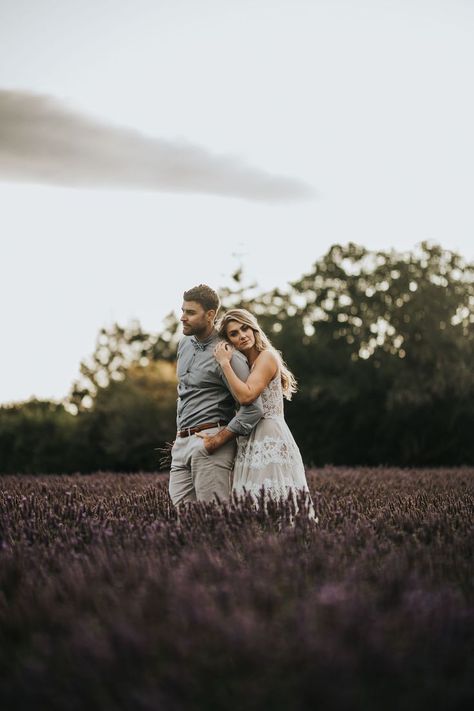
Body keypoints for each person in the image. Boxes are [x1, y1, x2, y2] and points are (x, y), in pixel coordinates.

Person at [214, 308, 317, 520]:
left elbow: (247, 396)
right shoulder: (242, 365)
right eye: (234, 333)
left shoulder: (267, 357)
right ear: (228, 340)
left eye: (245, 328)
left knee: (275, 502)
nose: (242, 335)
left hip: (269, 436)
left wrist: (224, 363)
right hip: (247, 439)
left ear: (254, 328)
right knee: (250, 504)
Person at [169, 285, 263, 506]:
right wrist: (179, 436)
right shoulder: (183, 344)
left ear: (210, 315)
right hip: (181, 444)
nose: (183, 317)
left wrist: (217, 440)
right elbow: (184, 394)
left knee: (214, 522)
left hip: (210, 443)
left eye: (190, 313)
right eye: (182, 311)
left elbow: (253, 408)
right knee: (185, 519)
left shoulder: (228, 355)